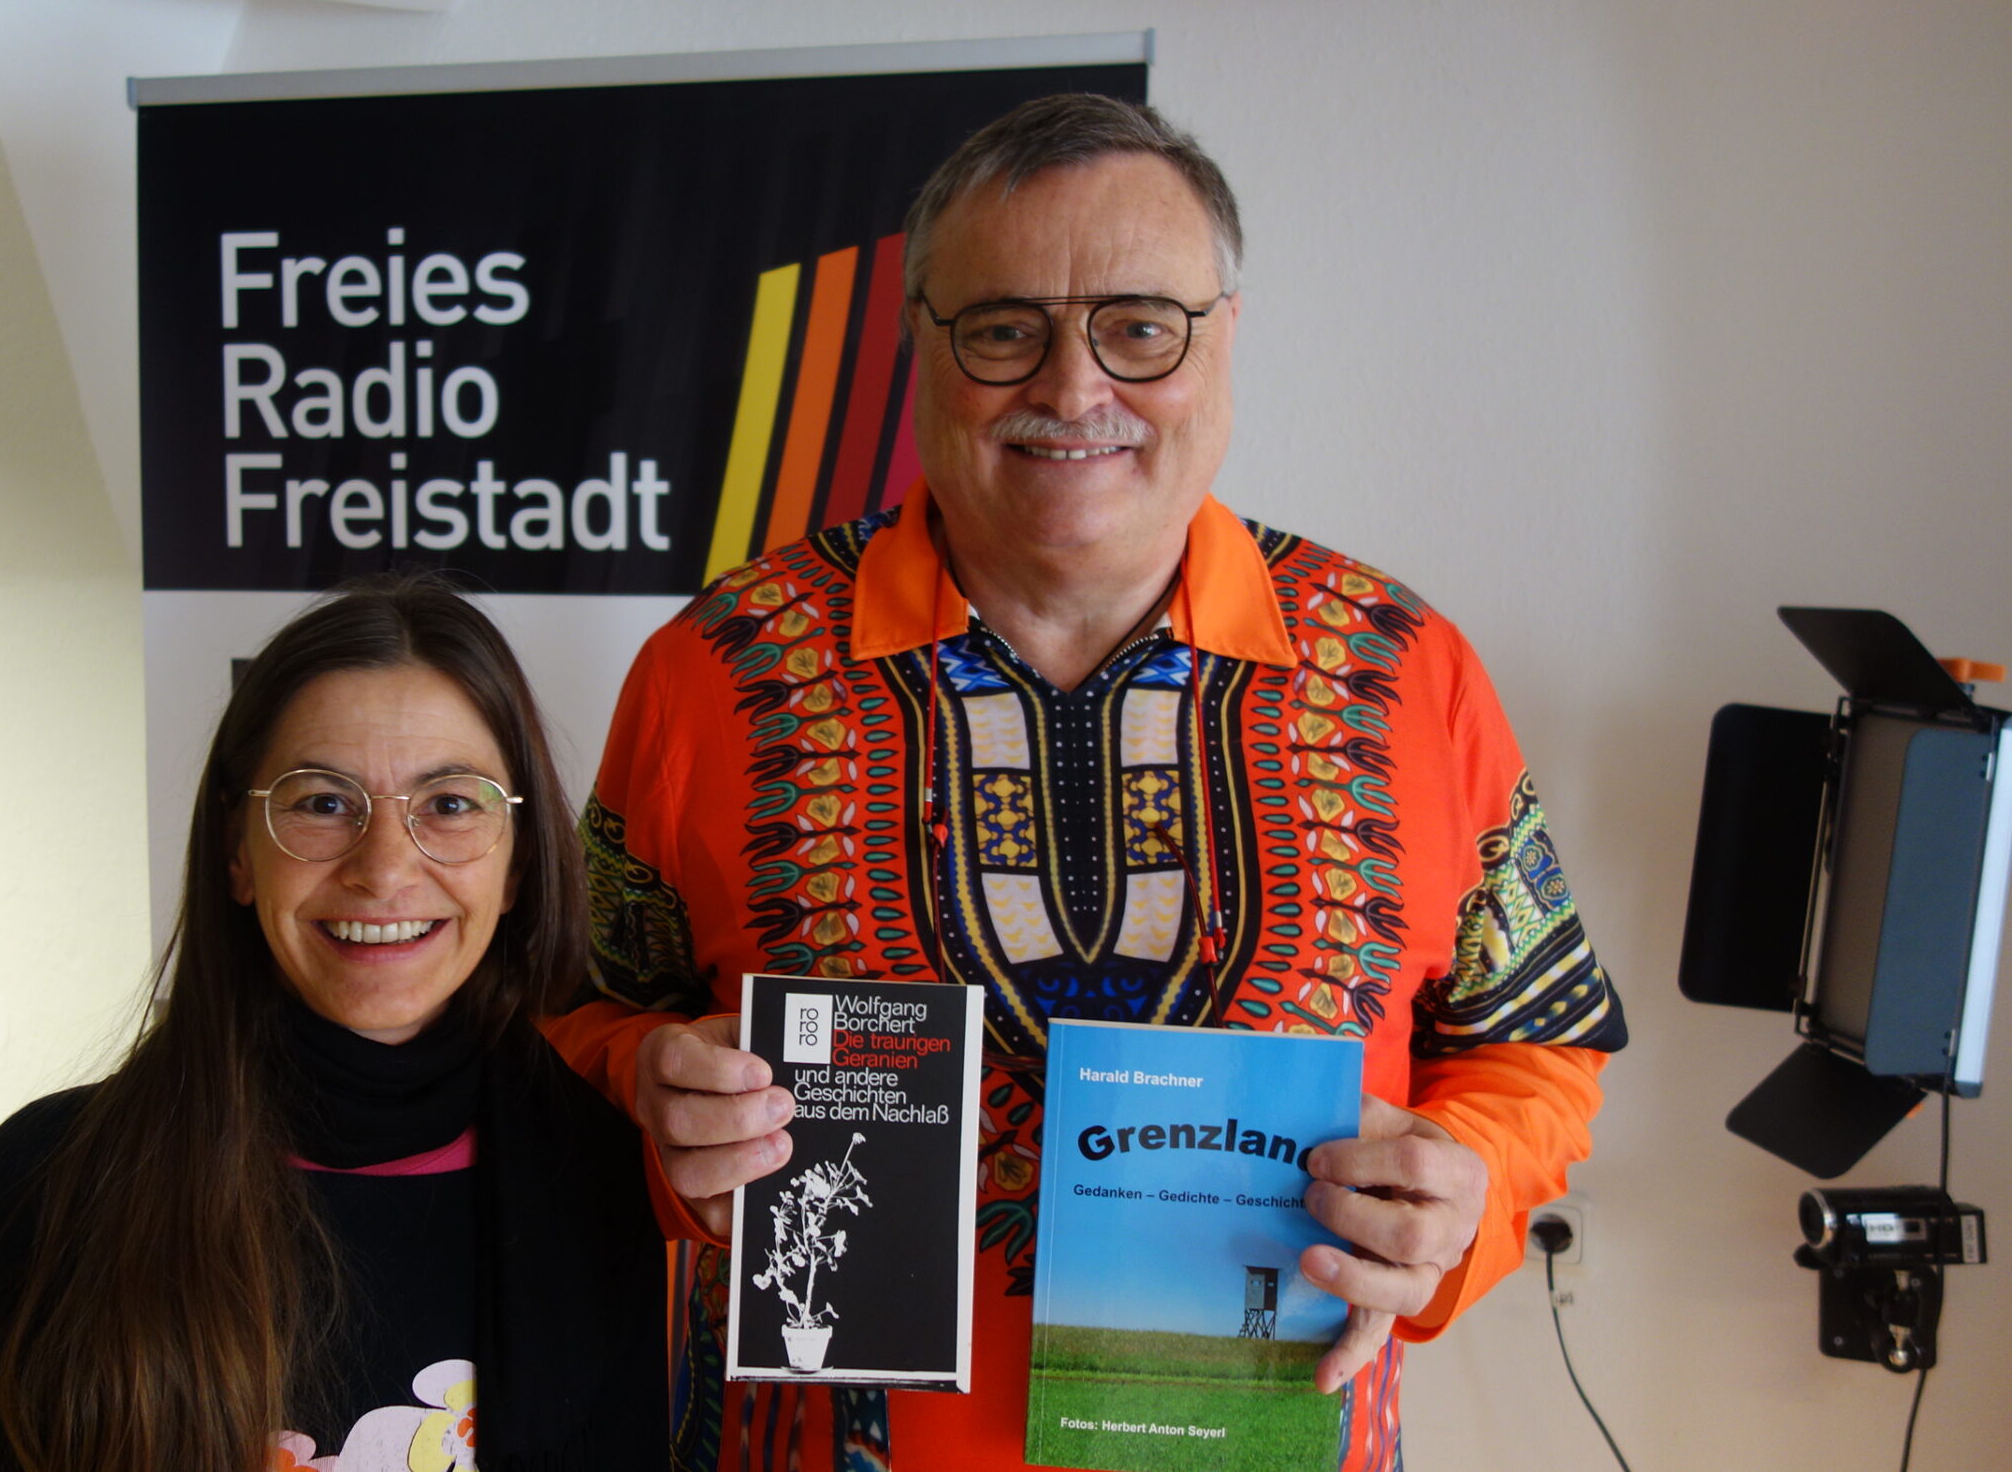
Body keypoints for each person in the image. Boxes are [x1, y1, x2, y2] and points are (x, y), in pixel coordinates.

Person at [547, 93, 1628, 1471]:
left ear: (1227, 336)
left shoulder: (1404, 670)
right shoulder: (715, 666)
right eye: (1004, 328)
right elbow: (575, 1014)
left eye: (1140, 325)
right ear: (917, 346)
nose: (1072, 387)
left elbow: (1539, 1043)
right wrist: (652, 1085)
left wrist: (1463, 1203)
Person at [0, 576, 663, 1472]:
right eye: (321, 801)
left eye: (451, 802)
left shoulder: (601, 1177)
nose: (385, 869)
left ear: (516, 866)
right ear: (238, 851)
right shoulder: (42, 1184)